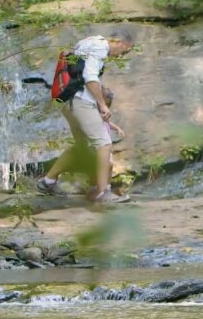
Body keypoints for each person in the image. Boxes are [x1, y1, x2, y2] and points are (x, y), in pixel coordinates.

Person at [36, 31, 134, 203]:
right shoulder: (100, 47)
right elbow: (90, 77)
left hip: (68, 100)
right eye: (124, 51)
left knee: (81, 146)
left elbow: (77, 69)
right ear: (119, 42)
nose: (121, 56)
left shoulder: (87, 42)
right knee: (104, 144)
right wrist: (102, 104)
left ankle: (48, 182)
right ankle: (102, 192)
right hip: (81, 101)